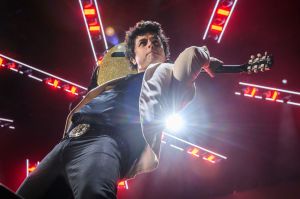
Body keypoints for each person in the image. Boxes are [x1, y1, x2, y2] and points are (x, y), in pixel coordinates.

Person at [16, 20, 222, 199]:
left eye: (156, 41)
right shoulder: (117, 82)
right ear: (133, 57)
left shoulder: (169, 76)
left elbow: (190, 57)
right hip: (68, 141)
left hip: (106, 142)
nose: (150, 44)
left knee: (94, 195)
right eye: (143, 43)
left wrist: (204, 59)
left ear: (166, 55)